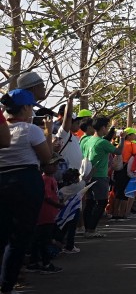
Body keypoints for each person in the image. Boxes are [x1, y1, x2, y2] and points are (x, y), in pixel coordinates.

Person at [0, 89, 53, 294]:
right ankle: (7, 285)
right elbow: (47, 158)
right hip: (25, 182)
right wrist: (47, 133)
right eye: (31, 107)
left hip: (2, 179)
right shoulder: (30, 130)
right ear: (24, 108)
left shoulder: (4, 129)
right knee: (19, 238)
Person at [81, 116, 124, 237]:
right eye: (107, 126)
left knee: (89, 203)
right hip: (99, 176)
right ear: (103, 128)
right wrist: (122, 139)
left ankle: (86, 228)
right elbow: (118, 151)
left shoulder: (86, 140)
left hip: (87, 175)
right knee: (101, 202)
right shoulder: (102, 142)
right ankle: (91, 229)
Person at [26, 154, 64, 274]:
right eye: (53, 165)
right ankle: (46, 263)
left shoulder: (51, 178)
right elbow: (47, 197)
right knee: (44, 240)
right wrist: (58, 205)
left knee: (39, 239)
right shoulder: (45, 179)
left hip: (49, 215)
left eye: (56, 165)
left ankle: (34, 262)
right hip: (45, 215)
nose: (56, 167)